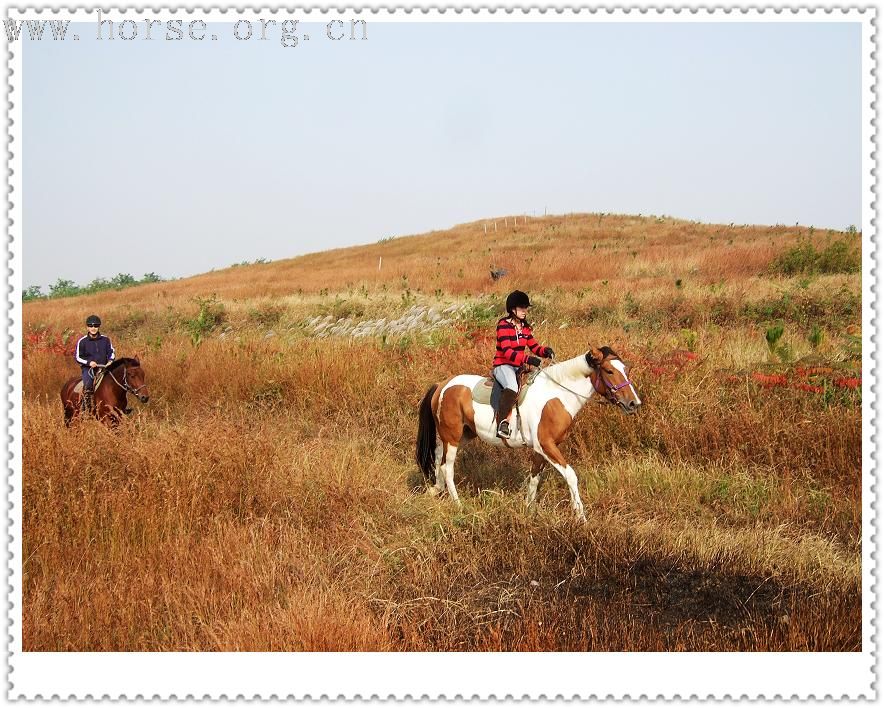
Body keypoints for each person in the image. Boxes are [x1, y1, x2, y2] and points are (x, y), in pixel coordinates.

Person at [492, 290, 554, 439]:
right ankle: (502, 424)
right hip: (503, 365)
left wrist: (545, 351)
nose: (525, 311)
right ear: (513, 309)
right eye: (521, 308)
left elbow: (534, 347)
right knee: (512, 387)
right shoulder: (503, 325)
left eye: (526, 308)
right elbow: (507, 352)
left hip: (518, 367)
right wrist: (528, 359)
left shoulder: (525, 328)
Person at [75, 314, 115, 414]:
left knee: (118, 382)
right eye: (91, 326)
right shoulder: (82, 341)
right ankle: (86, 408)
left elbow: (112, 352)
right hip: (89, 369)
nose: (93, 328)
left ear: (99, 327)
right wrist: (89, 363)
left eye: (96, 326)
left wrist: (110, 360)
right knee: (88, 385)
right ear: (87, 327)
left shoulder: (106, 340)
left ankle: (121, 406)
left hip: (104, 367)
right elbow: (78, 357)